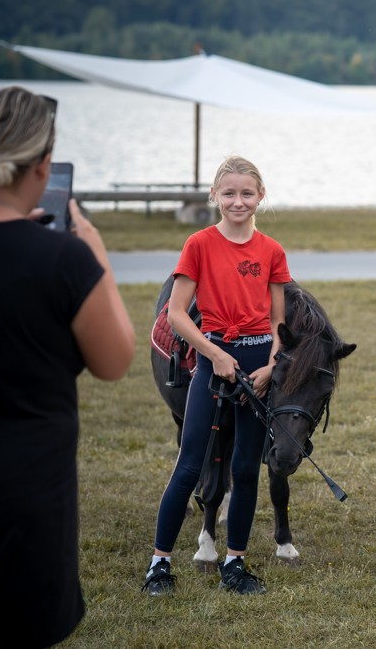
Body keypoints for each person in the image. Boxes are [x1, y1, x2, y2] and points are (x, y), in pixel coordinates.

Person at [0, 86, 135, 648]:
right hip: (17, 499)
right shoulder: (62, 259)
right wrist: (94, 251)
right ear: (45, 165)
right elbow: (115, 360)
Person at [141, 155, 291, 597]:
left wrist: (271, 367)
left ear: (260, 196)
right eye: (229, 193)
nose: (238, 201)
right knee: (190, 465)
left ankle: (234, 564)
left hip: (256, 367)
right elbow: (176, 314)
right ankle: (159, 566)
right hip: (212, 361)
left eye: (247, 193)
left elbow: (278, 322)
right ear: (214, 196)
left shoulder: (272, 251)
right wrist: (214, 355)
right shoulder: (199, 244)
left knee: (245, 469)